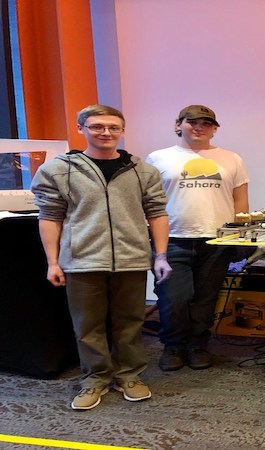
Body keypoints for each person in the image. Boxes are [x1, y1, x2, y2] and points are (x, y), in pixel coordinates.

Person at [31, 104, 171, 410]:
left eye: (112, 127)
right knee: (87, 324)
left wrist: (160, 255)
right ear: (81, 129)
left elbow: (157, 213)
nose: (105, 132)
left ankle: (130, 376)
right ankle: (94, 378)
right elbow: (50, 216)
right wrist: (53, 261)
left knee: (130, 322)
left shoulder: (142, 170)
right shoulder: (58, 170)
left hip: (132, 258)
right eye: (97, 126)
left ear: (122, 131)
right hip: (82, 260)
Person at [146, 105, 249, 371]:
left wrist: (240, 237)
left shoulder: (231, 159)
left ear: (214, 128)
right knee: (173, 299)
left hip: (217, 241)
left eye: (206, 123)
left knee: (205, 299)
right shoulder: (158, 158)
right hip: (171, 241)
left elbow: (240, 200)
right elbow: (146, 201)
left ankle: (197, 346)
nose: (199, 127)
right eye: (192, 122)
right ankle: (172, 346)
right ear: (178, 124)